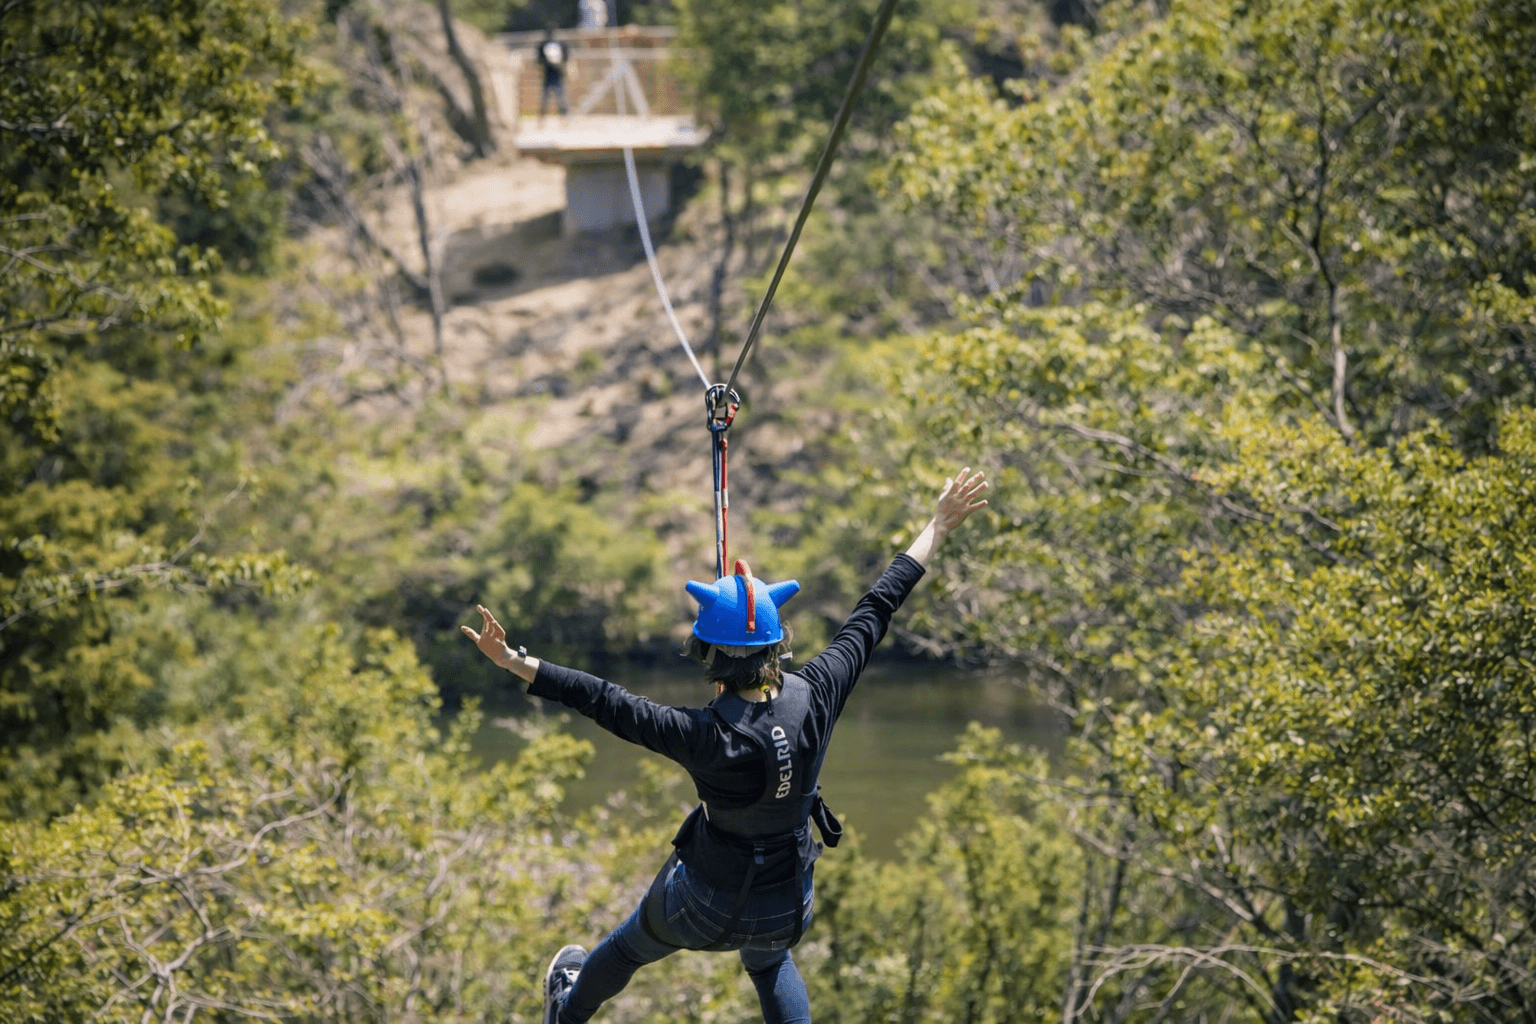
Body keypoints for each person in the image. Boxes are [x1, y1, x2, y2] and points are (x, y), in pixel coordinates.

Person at [462, 468, 989, 1024]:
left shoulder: (701, 735)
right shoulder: (820, 691)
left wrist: (513, 661)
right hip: (786, 904)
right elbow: (877, 606)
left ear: (709, 654)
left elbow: (603, 699)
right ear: (777, 645)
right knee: (768, 960)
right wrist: (937, 524)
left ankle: (565, 1012)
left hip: (703, 907)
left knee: (628, 945)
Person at [536, 26, 568, 118]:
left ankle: (563, 117)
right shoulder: (548, 45)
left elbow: (538, 60)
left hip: (554, 74)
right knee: (551, 98)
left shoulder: (550, 44)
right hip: (552, 74)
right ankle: (543, 118)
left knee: (559, 98)